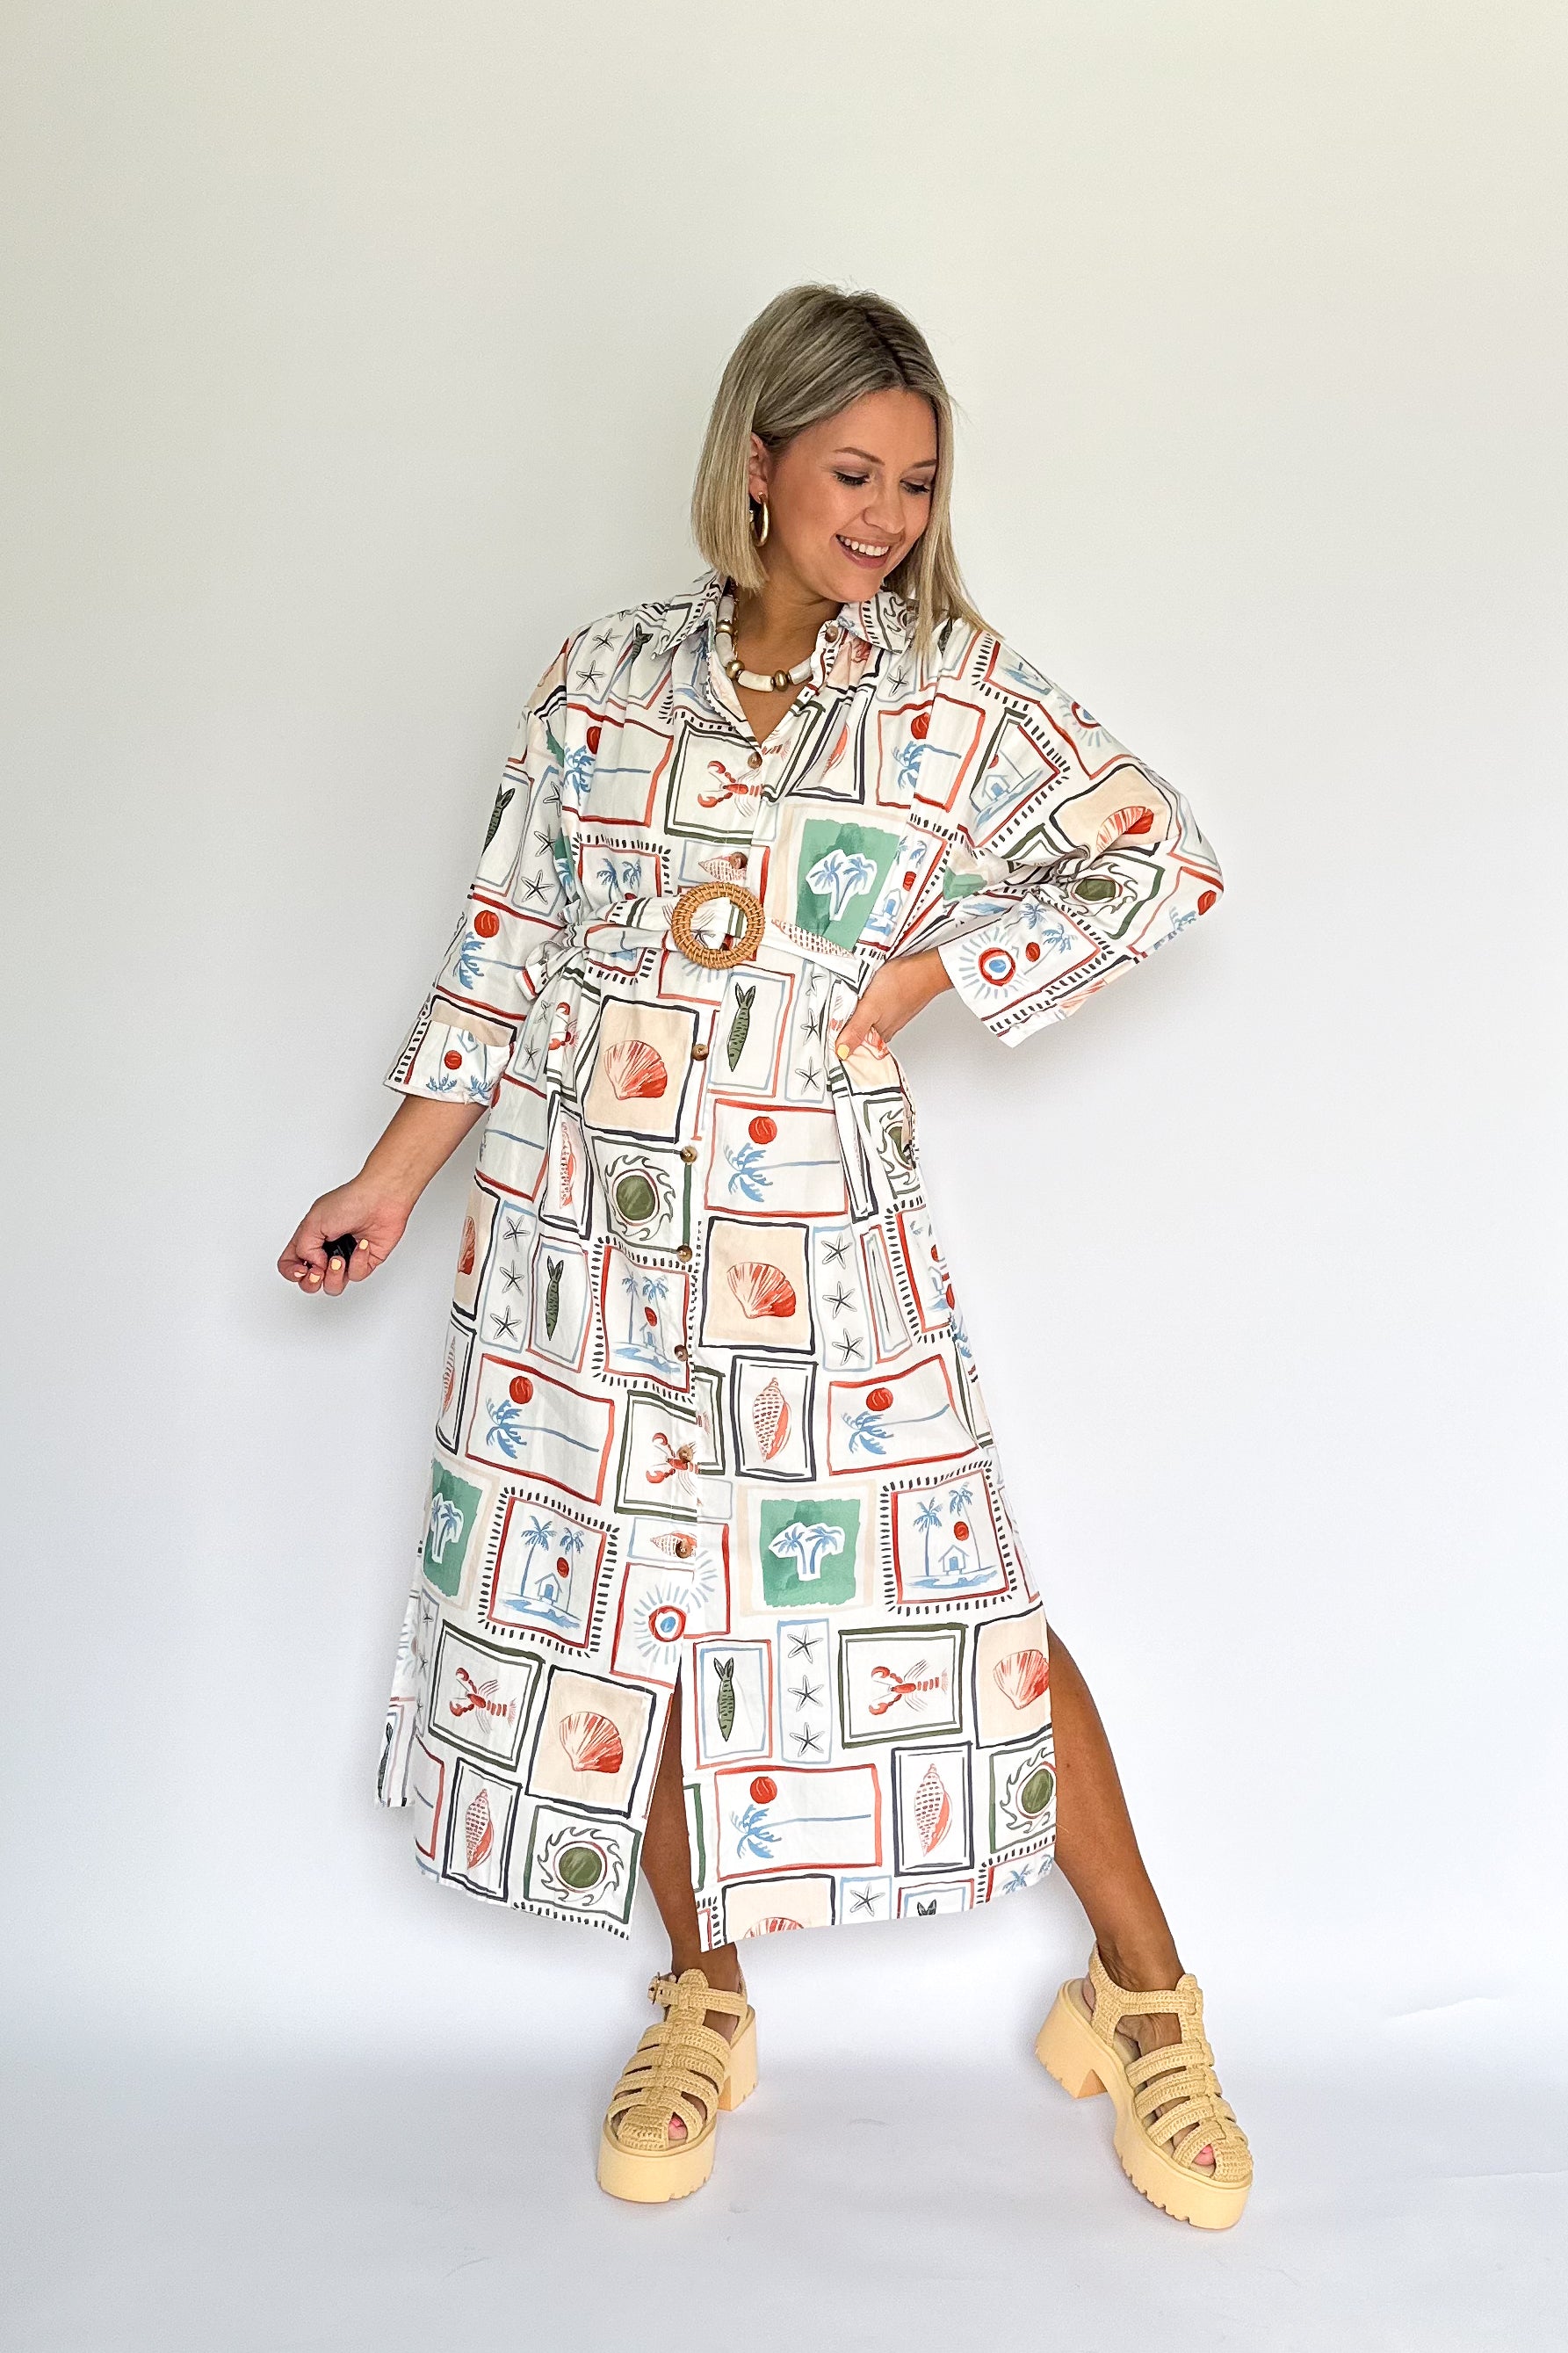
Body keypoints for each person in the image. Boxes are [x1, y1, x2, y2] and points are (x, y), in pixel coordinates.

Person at [279, 283, 1250, 2226]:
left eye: (914, 482)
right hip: (581, 1221)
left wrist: (926, 970)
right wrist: (388, 1181)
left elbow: (1160, 858)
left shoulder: (949, 692)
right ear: (756, 461)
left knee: (961, 1601)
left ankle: (1143, 2000)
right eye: (850, 473)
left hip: (812, 1236)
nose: (884, 516)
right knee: (636, 1611)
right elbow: (503, 949)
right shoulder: (601, 674)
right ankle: (701, 1996)